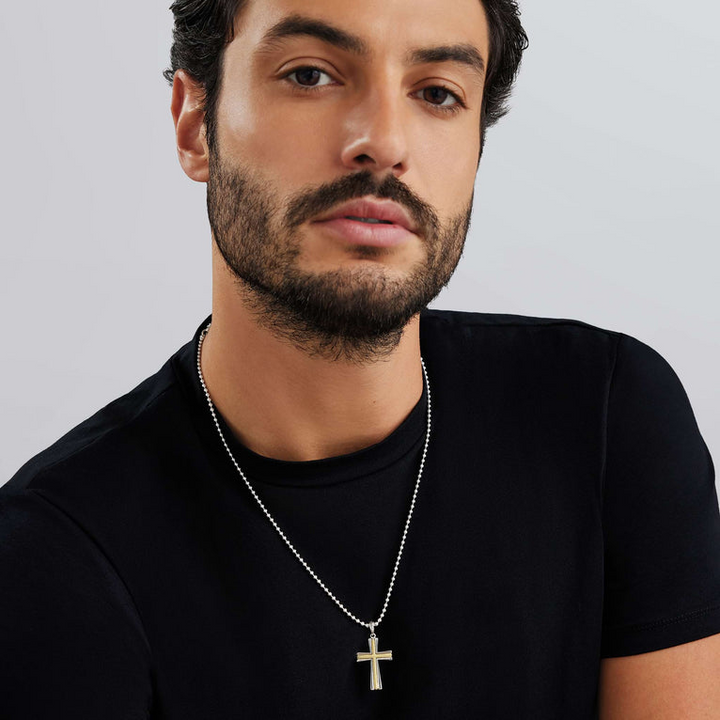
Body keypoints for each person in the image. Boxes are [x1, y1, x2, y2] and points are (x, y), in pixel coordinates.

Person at [1, 0, 719, 716]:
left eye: (438, 93)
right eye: (310, 74)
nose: (383, 140)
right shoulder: (56, 555)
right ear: (196, 126)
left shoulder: (603, 419)